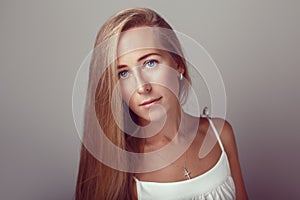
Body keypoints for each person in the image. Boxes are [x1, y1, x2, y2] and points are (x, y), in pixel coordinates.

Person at [75, 7, 248, 200]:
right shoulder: (120, 168)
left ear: (177, 64)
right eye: (123, 73)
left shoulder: (220, 134)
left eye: (150, 63)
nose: (141, 86)